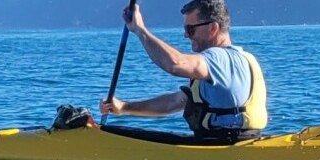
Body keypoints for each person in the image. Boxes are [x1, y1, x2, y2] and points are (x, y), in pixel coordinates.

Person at [101, 0, 266, 143]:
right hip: (238, 149)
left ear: (213, 29)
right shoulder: (241, 59)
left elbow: (175, 64)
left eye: (191, 29)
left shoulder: (219, 59)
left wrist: (140, 30)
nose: (186, 36)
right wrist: (124, 107)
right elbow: (175, 102)